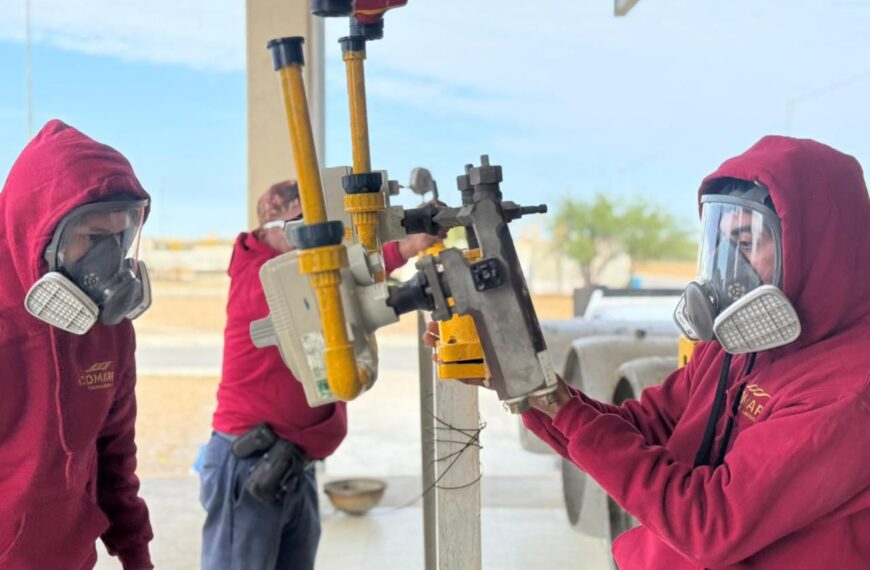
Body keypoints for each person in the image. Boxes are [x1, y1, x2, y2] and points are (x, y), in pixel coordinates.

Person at [426, 135, 870, 568]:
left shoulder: (848, 394)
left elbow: (711, 524)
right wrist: (529, 384)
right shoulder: (736, 350)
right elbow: (644, 428)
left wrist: (556, 405)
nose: (728, 269)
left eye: (747, 244)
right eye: (720, 243)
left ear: (817, 248)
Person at [200, 180, 437, 570]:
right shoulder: (260, 279)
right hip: (251, 462)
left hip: (293, 463)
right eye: (303, 226)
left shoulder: (291, 270)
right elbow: (333, 291)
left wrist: (405, 245)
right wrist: (403, 250)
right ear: (273, 230)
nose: (316, 238)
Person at [0, 120, 155, 569]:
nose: (107, 260)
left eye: (119, 238)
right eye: (92, 239)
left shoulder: (110, 331)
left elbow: (115, 453)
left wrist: (136, 552)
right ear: (42, 234)